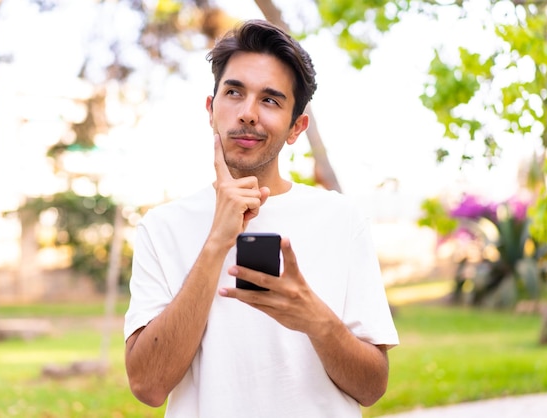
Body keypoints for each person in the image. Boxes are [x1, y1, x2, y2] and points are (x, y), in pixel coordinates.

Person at [124, 19, 399, 418]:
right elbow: (148, 386)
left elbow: (372, 388)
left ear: (296, 127)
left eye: (270, 100)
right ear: (210, 108)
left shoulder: (341, 219)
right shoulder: (161, 227)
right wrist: (218, 239)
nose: (248, 113)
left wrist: (316, 319)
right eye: (234, 92)